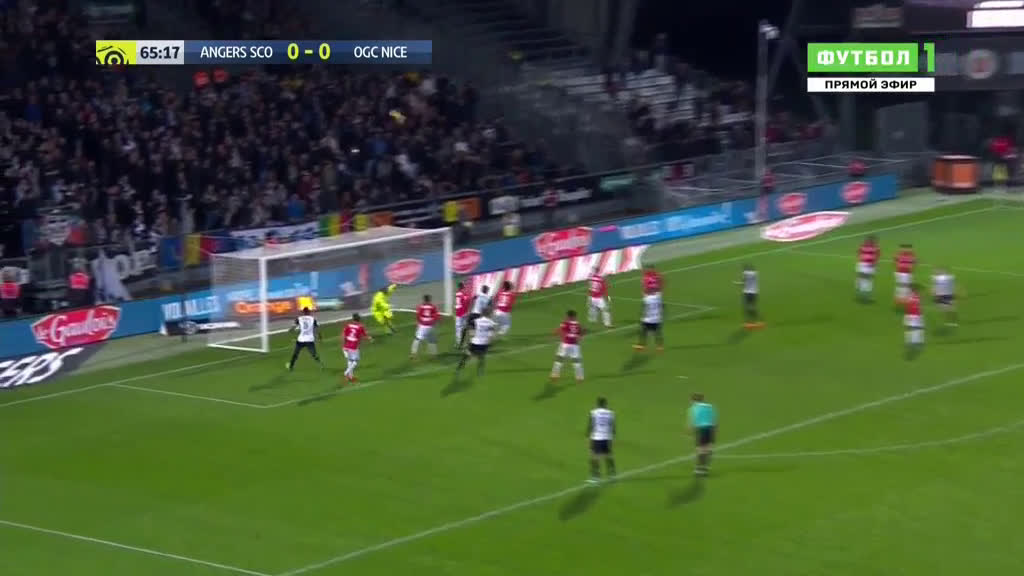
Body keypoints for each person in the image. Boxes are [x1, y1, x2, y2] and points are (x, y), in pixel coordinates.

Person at [456, 307, 497, 376]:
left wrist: (468, 341)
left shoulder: (475, 321)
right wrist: (489, 343)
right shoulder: (492, 323)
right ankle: (480, 371)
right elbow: (492, 335)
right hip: (485, 343)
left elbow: (471, 332)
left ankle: (459, 368)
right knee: (481, 356)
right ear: (489, 314)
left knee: (467, 354)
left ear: (482, 313)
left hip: (475, 342)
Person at [587, 397, 616, 484]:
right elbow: (613, 427)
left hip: (597, 437)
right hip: (607, 437)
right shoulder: (611, 413)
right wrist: (612, 437)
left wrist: (588, 436)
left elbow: (591, 425)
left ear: (598, 404)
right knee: (608, 455)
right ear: (605, 404)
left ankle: (595, 477)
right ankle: (612, 473)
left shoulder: (594, 412)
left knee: (594, 456)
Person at [688, 393, 717, 476]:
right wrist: (715, 430)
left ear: (694, 400)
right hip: (710, 429)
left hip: (701, 429)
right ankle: (705, 468)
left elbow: (693, 420)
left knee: (700, 450)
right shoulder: (709, 406)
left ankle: (698, 469)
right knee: (709, 449)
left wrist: (690, 431)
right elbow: (714, 419)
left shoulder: (694, 408)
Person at [551, 309, 585, 382]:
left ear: (569, 316)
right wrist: (579, 337)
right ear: (575, 316)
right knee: (576, 361)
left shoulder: (565, 323)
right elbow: (581, 334)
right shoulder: (578, 325)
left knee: (559, 359)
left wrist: (556, 333)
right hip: (575, 345)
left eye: (567, 316)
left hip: (565, 344)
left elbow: (558, 331)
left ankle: (555, 375)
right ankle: (579, 377)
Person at [286, 307, 323, 372]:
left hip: (301, 339)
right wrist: (319, 336)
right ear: (309, 312)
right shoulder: (313, 319)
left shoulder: (299, 318)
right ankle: (320, 364)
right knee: (313, 353)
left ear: (303, 312)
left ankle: (291, 366)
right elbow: (316, 329)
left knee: (295, 353)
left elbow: (293, 328)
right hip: (310, 339)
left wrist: (290, 330)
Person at [342, 313, 373, 383]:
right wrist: (370, 338)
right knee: (355, 361)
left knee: (350, 360)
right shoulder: (360, 327)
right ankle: (346, 372)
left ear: (353, 319)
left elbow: (344, 335)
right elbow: (365, 335)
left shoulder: (348, 325)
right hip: (354, 346)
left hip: (347, 344)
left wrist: (344, 345)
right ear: (359, 319)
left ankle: (351, 377)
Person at [460, 284, 492, 348]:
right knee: (476, 329)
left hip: (473, 313)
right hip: (478, 315)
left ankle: (462, 343)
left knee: (466, 328)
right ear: (487, 291)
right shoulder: (488, 298)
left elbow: (472, 301)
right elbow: (487, 308)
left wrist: (469, 310)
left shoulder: (478, 295)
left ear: (482, 290)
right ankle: (476, 343)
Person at [410, 294, 440, 359]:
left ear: (424, 300)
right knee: (432, 340)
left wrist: (419, 323)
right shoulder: (433, 307)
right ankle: (433, 354)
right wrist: (434, 322)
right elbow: (436, 316)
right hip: (431, 326)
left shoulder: (420, 306)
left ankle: (413, 354)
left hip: (423, 326)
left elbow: (418, 316)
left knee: (417, 339)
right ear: (430, 300)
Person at [738, 263, 763, 329]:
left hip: (747, 292)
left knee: (746, 307)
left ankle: (749, 321)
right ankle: (757, 320)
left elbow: (743, 282)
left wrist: (737, 283)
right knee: (753, 306)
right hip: (754, 292)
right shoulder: (756, 273)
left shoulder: (745, 273)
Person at [856, 235, 880, 301]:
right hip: (864, 265)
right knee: (864, 279)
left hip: (870, 265)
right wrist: (861, 260)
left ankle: (866, 295)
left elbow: (877, 256)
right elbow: (859, 252)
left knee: (868, 280)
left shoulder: (875, 247)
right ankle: (863, 295)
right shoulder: (864, 246)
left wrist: (874, 263)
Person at [904, 284, 924, 359]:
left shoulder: (908, 296)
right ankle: (915, 343)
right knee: (917, 329)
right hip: (916, 315)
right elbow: (919, 306)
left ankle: (909, 342)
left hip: (909, 315)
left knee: (909, 329)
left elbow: (908, 305)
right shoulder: (918, 296)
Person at [454, 281, 471, 349]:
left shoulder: (457, 293)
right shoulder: (464, 294)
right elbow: (466, 301)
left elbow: (460, 302)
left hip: (459, 312)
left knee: (458, 328)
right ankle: (465, 342)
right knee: (464, 328)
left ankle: (459, 342)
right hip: (464, 312)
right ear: (462, 287)